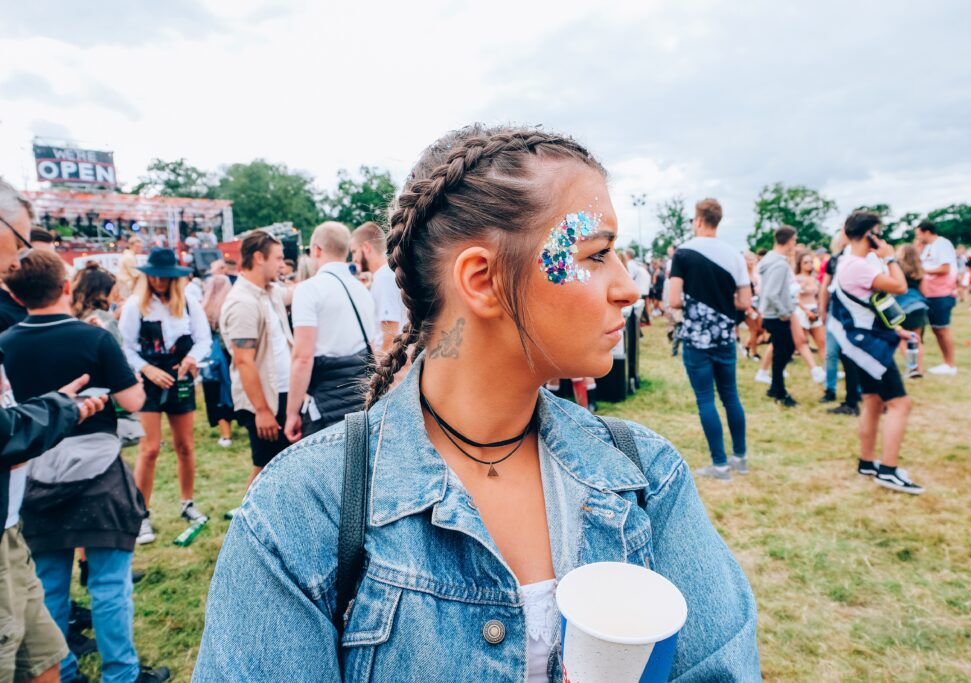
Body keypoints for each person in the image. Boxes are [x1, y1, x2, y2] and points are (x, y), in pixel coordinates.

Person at [194, 125, 760, 681]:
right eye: (597, 253)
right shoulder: (303, 510)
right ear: (483, 279)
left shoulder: (645, 478)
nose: (629, 287)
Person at [0, 250, 171, 683]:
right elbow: (134, 401)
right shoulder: (94, 338)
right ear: (64, 289)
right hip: (98, 470)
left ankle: (67, 670)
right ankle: (122, 674)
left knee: (49, 585)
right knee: (110, 584)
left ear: (17, 296)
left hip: (35, 471)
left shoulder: (5, 343)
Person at [0, 180, 110, 683]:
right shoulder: (91, 336)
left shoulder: (10, 331)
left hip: (13, 521)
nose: (18, 258)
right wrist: (63, 410)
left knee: (46, 656)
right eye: (20, 240)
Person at [118, 248, 212, 545]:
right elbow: (125, 346)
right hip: (149, 381)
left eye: (165, 276)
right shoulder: (135, 305)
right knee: (150, 448)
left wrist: (191, 360)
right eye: (155, 276)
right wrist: (146, 369)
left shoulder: (189, 304)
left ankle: (187, 503)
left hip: (180, 378)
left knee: (185, 445)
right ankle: (140, 513)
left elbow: (204, 340)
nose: (159, 281)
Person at [829, 211, 923, 494]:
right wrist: (890, 257)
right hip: (869, 346)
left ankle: (867, 462)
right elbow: (900, 286)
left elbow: (871, 305)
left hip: (859, 342)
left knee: (871, 401)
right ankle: (888, 471)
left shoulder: (847, 262)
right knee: (899, 404)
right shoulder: (858, 266)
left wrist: (897, 330)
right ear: (871, 234)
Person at [667, 198, 751, 480]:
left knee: (706, 399)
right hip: (725, 335)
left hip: (697, 337)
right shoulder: (735, 255)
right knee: (731, 395)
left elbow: (674, 299)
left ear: (699, 220)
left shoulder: (683, 254)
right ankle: (740, 457)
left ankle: (719, 465)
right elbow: (745, 301)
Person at [218, 231, 293, 515]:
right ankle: (247, 519)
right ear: (259, 258)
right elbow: (244, 361)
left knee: (277, 463)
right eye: (278, 258)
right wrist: (262, 410)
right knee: (265, 466)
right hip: (264, 401)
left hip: (281, 394)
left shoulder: (268, 292)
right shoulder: (242, 302)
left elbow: (295, 291)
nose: (282, 265)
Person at [284, 222, 375, 441]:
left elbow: (302, 358)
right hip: (360, 402)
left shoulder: (308, 289)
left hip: (324, 404)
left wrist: (291, 413)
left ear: (316, 249)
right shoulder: (361, 290)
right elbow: (372, 347)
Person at [819, 231, 861, 413]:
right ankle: (830, 389)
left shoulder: (861, 260)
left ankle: (856, 392)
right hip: (835, 312)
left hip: (853, 313)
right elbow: (825, 287)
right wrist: (822, 309)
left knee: (852, 355)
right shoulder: (834, 260)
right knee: (832, 352)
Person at [350, 221, 407, 352]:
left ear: (366, 248)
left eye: (354, 251)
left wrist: (381, 366)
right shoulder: (387, 274)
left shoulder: (384, 278)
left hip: (390, 363)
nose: (354, 259)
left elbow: (390, 331)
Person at [758, 226, 799, 406]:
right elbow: (771, 293)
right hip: (776, 315)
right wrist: (784, 313)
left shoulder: (770, 260)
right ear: (789, 240)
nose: (795, 243)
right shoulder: (779, 264)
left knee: (782, 350)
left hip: (771, 313)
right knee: (784, 351)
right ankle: (779, 392)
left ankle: (775, 387)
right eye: (795, 240)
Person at [917, 220, 958, 375]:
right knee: (935, 329)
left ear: (926, 232)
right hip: (929, 293)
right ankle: (945, 363)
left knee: (942, 330)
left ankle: (950, 364)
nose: (918, 237)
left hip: (942, 293)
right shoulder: (928, 247)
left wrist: (923, 271)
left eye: (918, 233)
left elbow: (945, 268)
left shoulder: (943, 244)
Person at [201, 270, 234, 447]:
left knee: (216, 394)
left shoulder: (203, 309)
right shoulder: (231, 305)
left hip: (211, 360)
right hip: (230, 357)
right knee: (230, 391)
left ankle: (226, 434)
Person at [895, 244, 929, 377]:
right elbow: (925, 291)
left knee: (902, 338)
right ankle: (918, 369)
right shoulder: (919, 271)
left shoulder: (896, 269)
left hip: (900, 307)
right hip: (918, 306)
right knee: (916, 339)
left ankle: (911, 368)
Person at [794, 249, 826, 367]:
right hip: (802, 310)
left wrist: (819, 307)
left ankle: (827, 369)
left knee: (822, 342)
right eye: (806, 262)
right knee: (801, 341)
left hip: (814, 309)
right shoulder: (797, 278)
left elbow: (817, 296)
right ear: (800, 264)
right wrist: (806, 311)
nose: (809, 265)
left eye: (811, 262)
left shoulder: (814, 279)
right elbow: (796, 298)